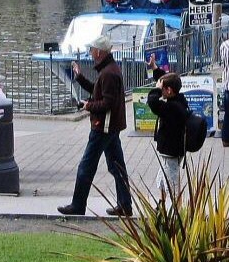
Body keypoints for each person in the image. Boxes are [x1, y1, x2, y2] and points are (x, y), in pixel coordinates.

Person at [58, 35, 133, 216]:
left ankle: (78, 205)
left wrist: (88, 106)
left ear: (99, 52)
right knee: (117, 166)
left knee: (86, 166)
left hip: (103, 127)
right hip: (111, 127)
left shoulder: (108, 73)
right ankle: (125, 205)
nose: (90, 53)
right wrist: (80, 78)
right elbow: (99, 91)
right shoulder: (110, 70)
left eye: (91, 50)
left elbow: (107, 103)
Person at [146, 72, 190, 196]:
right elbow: (170, 77)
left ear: (169, 90)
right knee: (162, 180)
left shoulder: (172, 108)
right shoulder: (179, 102)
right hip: (172, 151)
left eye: (162, 90)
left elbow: (153, 103)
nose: (161, 93)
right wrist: (155, 70)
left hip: (171, 152)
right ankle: (162, 203)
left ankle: (176, 206)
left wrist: (156, 90)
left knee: (172, 185)